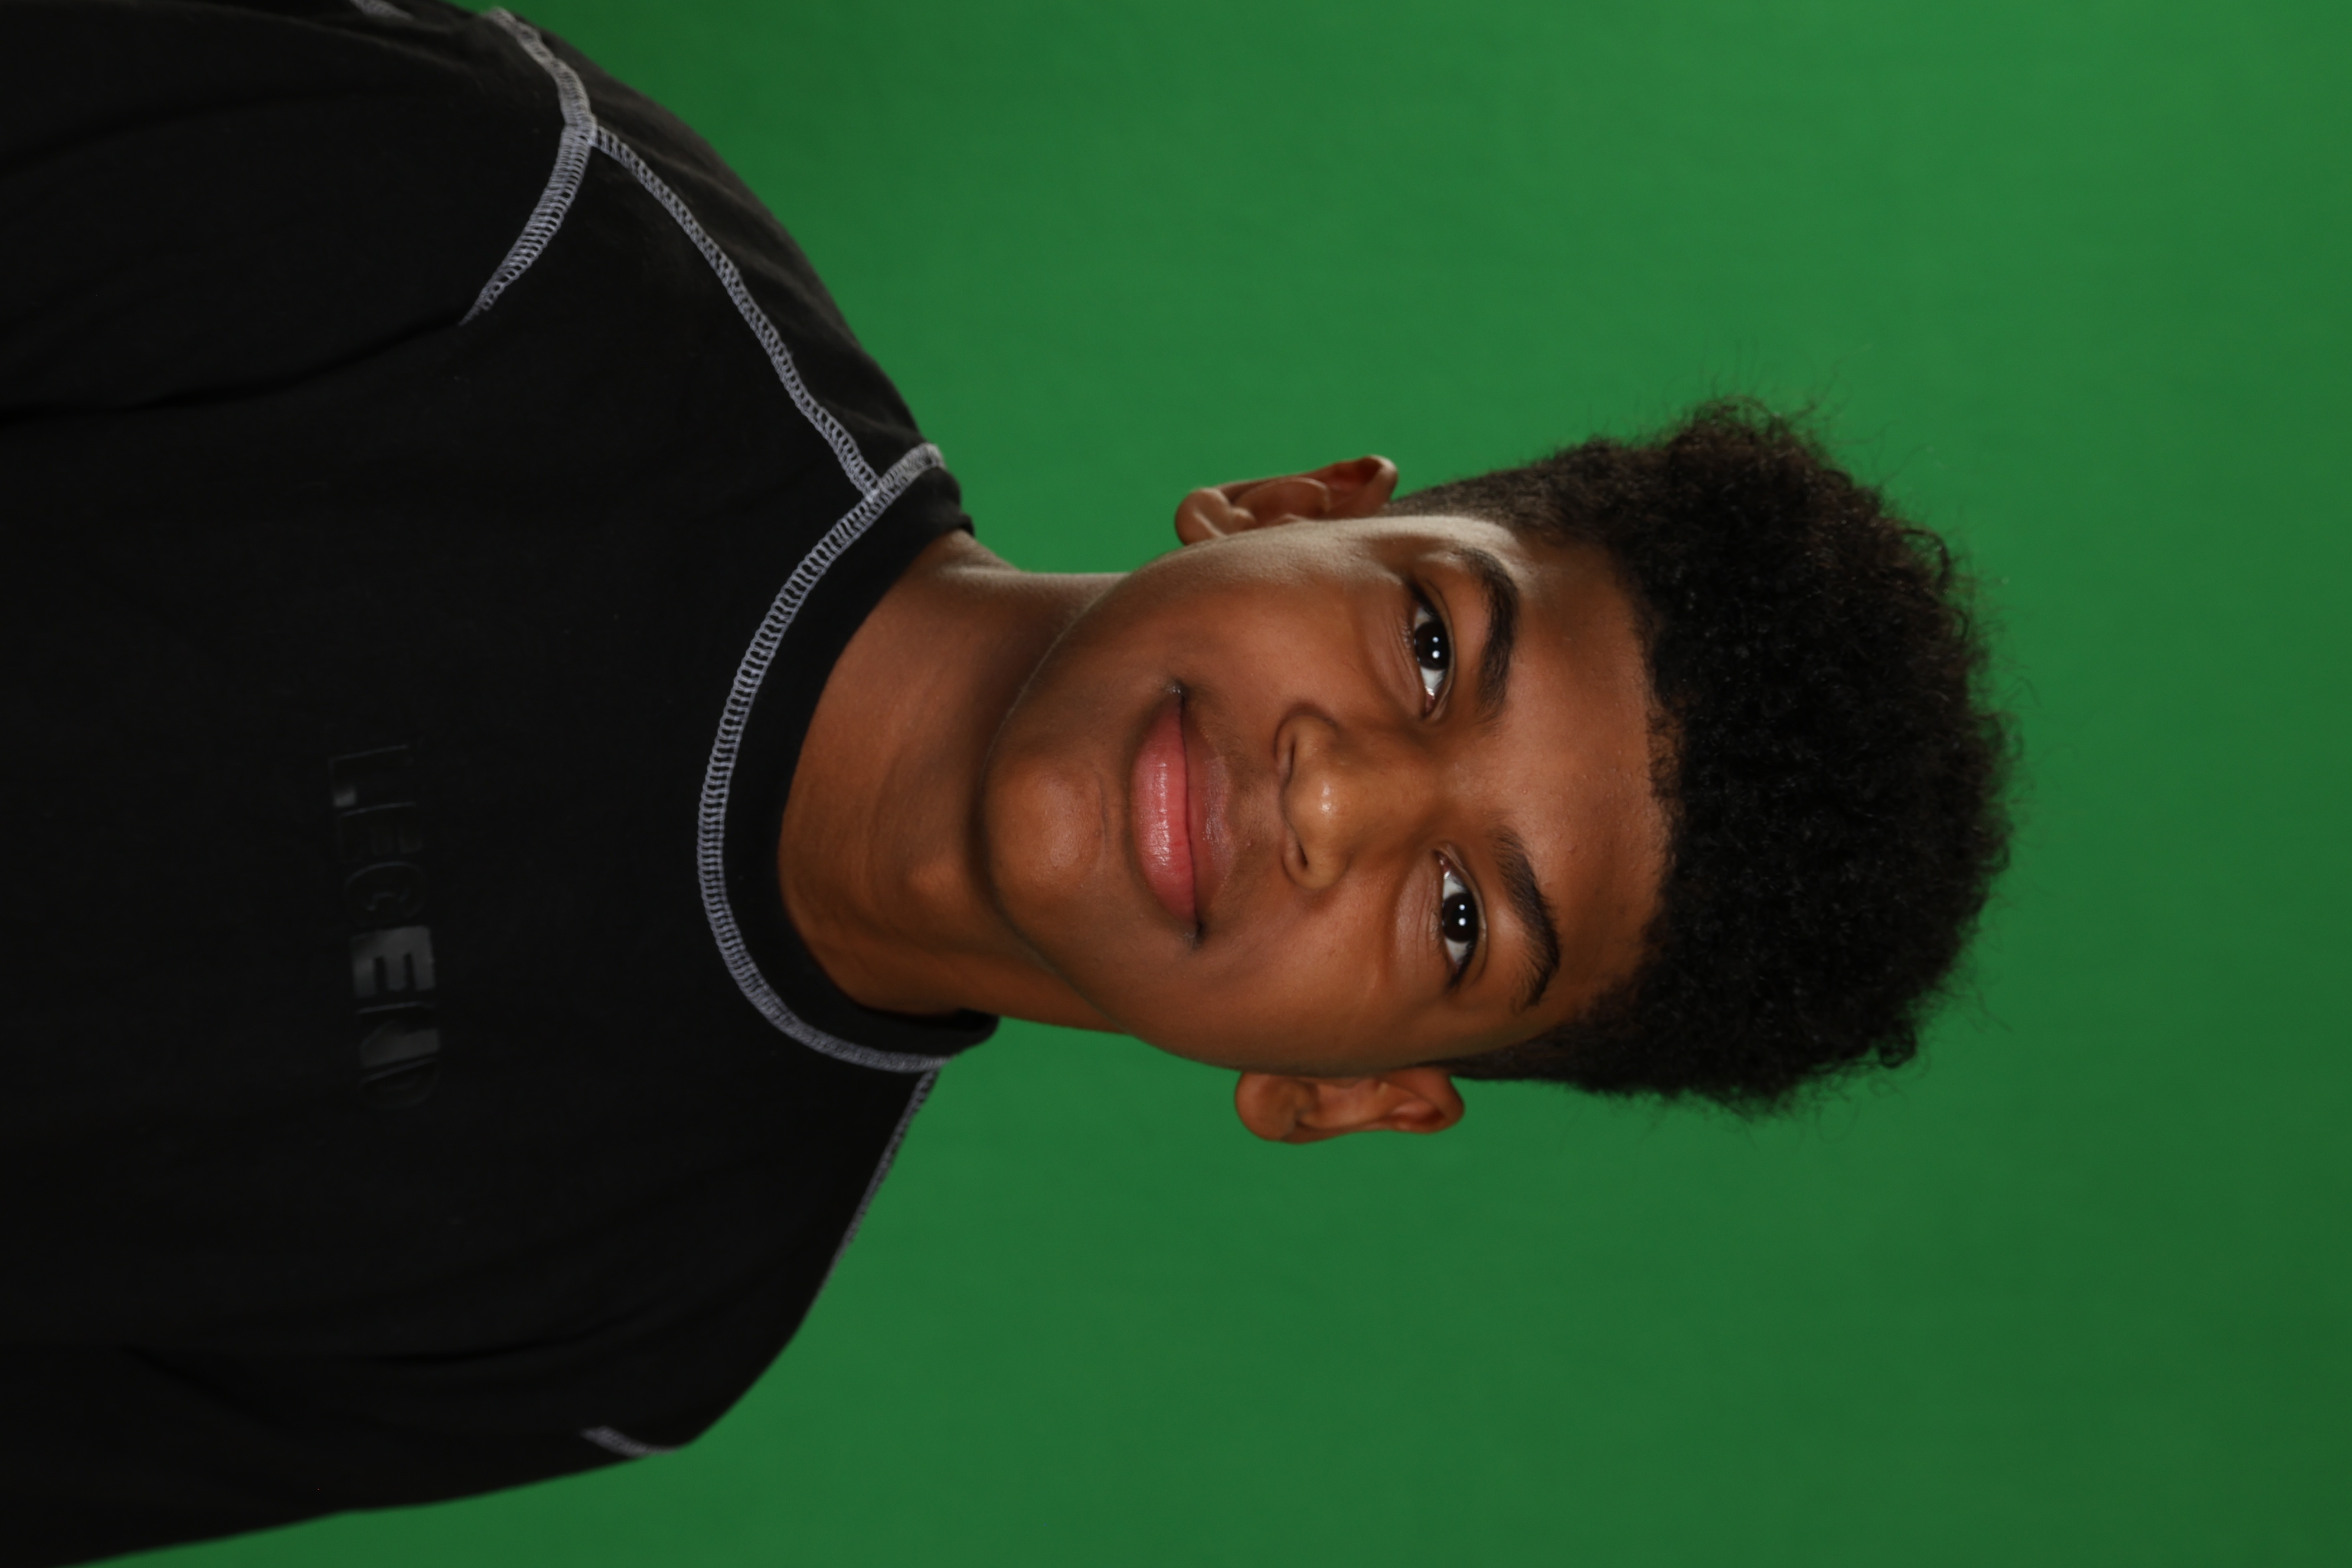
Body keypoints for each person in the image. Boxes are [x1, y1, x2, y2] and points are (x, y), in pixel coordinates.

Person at [0, 0, 2010, 1563]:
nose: (1332, 803)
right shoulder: (516, 241)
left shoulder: (632, 1331)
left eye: (1464, 914)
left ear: (1347, 1090)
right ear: (1290, 504)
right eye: (1426, 647)